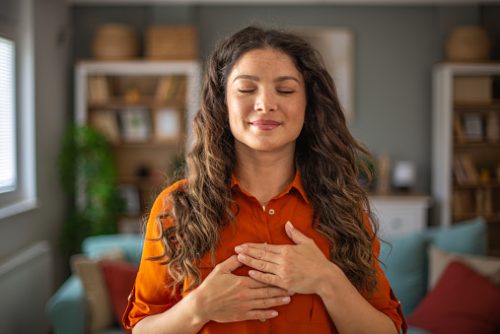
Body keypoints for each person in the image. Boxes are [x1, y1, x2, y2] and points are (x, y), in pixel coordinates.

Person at [123, 25, 406, 334]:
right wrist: (198, 308)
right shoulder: (176, 207)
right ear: (223, 103)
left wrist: (327, 280)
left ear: (308, 105)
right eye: (246, 89)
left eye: (285, 90)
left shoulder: (344, 209)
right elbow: (141, 329)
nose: (265, 103)